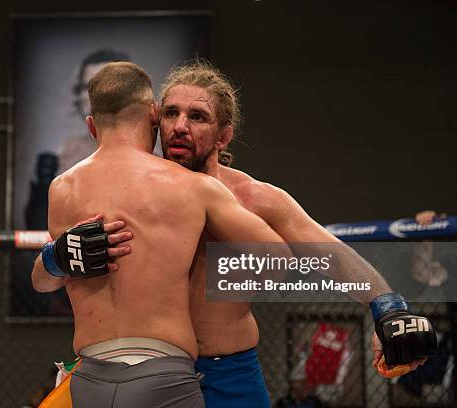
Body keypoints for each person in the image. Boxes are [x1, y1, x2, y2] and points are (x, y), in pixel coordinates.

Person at [40, 60, 436, 408]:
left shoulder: (254, 198)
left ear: (223, 135)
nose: (180, 126)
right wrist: (57, 256)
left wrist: (386, 304)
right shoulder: (128, 190)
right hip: (145, 367)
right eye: (172, 113)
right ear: (153, 119)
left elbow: (324, 250)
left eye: (197, 117)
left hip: (227, 370)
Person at [35, 61, 290, 408]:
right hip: (164, 375)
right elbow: (280, 260)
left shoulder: (61, 189)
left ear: (92, 126)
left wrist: (55, 257)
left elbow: (42, 282)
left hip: (91, 377)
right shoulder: (191, 186)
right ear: (154, 116)